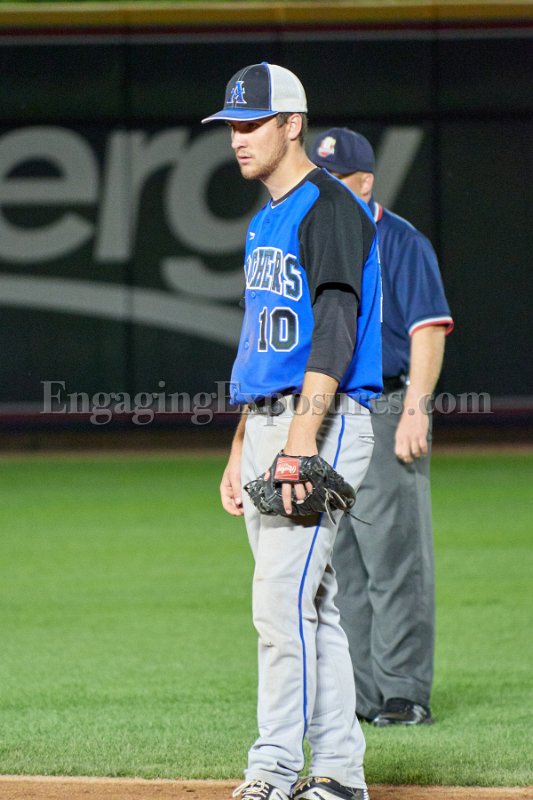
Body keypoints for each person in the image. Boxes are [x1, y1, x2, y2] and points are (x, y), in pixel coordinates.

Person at [202, 66, 382, 800]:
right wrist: (240, 446)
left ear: (292, 124)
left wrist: (301, 439)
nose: (238, 138)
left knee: (279, 604)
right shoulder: (265, 219)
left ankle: (272, 769)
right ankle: (339, 773)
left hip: (320, 422)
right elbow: (265, 343)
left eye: (252, 123)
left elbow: (336, 325)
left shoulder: (329, 206)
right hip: (271, 422)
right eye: (232, 126)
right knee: (311, 605)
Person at [310, 127, 454, 726]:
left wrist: (417, 405)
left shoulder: (401, 240)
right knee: (340, 560)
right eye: (320, 178)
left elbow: (428, 327)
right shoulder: (317, 237)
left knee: (394, 557)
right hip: (326, 409)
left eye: (337, 179)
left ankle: (403, 693)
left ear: (365, 182)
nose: (325, 188)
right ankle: (362, 695)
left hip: (388, 404)